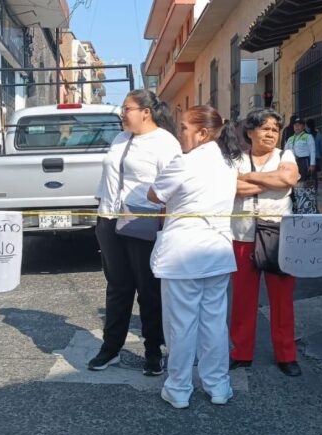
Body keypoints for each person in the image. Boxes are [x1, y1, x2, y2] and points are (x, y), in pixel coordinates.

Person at [147, 106, 241, 409]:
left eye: (184, 127)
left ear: (202, 133)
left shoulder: (185, 162)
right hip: (216, 249)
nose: (179, 133)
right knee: (214, 322)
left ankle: (178, 388)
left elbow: (154, 195)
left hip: (184, 253)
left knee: (181, 324)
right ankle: (219, 386)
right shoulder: (229, 163)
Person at [90, 89, 181, 375]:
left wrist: (164, 224)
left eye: (126, 108)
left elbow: (173, 187)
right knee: (117, 286)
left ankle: (153, 350)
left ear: (146, 111)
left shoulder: (165, 143)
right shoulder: (120, 138)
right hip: (109, 219)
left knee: (148, 289)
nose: (121, 113)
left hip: (143, 221)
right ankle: (111, 348)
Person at [230, 109, 302, 377]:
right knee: (242, 299)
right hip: (242, 235)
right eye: (265, 128)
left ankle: (286, 355)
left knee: (282, 299)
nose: (271, 133)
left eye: (275, 129)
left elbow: (289, 178)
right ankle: (240, 352)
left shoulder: (286, 155)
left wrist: (247, 178)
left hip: (279, 234)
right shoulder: (237, 158)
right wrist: (272, 183)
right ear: (250, 132)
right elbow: (232, 188)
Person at [285, 117, 317, 213]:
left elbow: (312, 151)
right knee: (292, 183)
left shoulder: (308, 136)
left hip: (304, 162)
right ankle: (295, 205)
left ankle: (305, 204)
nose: (297, 127)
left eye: (299, 125)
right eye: (295, 125)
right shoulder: (290, 138)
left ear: (303, 126)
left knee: (303, 184)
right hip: (293, 162)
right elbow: (285, 150)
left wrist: (312, 164)